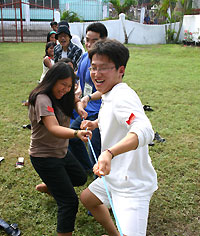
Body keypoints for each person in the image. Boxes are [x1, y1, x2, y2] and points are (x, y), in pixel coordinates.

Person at [80, 39, 158, 236]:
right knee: (88, 198)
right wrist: (95, 123)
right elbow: (112, 113)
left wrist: (109, 153)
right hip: (113, 177)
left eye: (103, 68)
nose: (96, 74)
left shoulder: (123, 95)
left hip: (131, 185)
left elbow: (144, 129)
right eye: (93, 68)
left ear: (120, 70)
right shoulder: (110, 92)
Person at [28, 62, 92, 236]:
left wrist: (79, 108)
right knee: (69, 201)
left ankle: (51, 186)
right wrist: (77, 133)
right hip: (45, 156)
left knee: (79, 177)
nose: (65, 89)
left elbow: (74, 99)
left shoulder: (63, 94)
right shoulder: (42, 98)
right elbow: (53, 128)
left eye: (69, 86)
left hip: (61, 152)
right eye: (62, 84)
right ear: (52, 80)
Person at [69, 22, 108, 171]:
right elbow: (80, 82)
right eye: (87, 39)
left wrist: (89, 98)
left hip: (99, 111)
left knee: (96, 147)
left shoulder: (105, 63)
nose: (89, 44)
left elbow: (106, 90)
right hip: (86, 108)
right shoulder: (85, 57)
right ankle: (87, 168)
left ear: (104, 41)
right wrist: (78, 95)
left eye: (94, 41)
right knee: (74, 135)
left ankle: (99, 178)